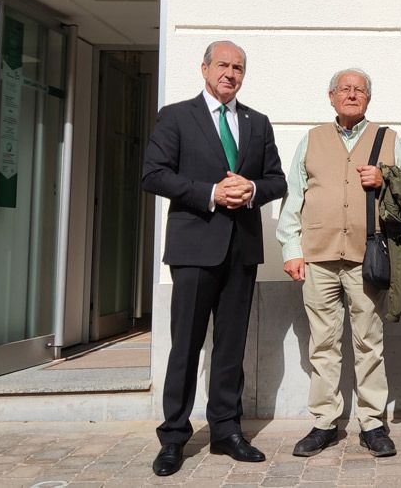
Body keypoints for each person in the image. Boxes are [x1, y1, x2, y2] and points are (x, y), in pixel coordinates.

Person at [142, 41, 287, 477]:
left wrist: (252, 191)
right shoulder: (176, 116)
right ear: (204, 68)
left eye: (238, 67)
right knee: (185, 344)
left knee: (230, 347)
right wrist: (210, 193)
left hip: (241, 249)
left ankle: (226, 430)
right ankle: (173, 437)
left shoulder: (256, 122)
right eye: (222, 65)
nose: (230, 72)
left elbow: (276, 180)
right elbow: (154, 174)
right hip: (194, 249)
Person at [275, 68, 401, 458]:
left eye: (359, 90)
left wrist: (384, 179)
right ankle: (324, 422)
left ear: (368, 99)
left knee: (369, 342)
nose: (352, 95)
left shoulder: (388, 139)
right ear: (331, 96)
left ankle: (372, 422)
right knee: (322, 343)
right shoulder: (312, 139)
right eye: (344, 89)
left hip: (366, 257)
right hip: (318, 256)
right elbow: (294, 197)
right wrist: (292, 250)